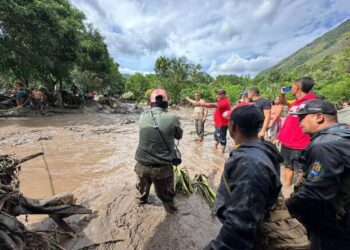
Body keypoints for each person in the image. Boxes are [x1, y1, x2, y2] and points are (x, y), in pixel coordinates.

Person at [205, 103, 283, 249]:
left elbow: (240, 227)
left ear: (233, 127)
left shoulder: (248, 164)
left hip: (255, 237)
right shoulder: (263, 148)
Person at [286, 99, 350, 250]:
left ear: (319, 117)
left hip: (337, 224)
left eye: (302, 117)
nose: (299, 122)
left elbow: (316, 191)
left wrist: (287, 207)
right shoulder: (343, 133)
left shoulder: (325, 145)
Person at [134, 88, 183, 214]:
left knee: (142, 192)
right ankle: (171, 213)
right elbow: (179, 136)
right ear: (166, 103)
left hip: (141, 166)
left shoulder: (143, 116)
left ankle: (141, 202)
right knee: (167, 197)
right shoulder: (172, 117)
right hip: (161, 169)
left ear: (151, 103)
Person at [274, 77, 317, 187]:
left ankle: (299, 195)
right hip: (287, 143)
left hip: (301, 145)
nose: (291, 88)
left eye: (292, 86)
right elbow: (288, 121)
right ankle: (287, 191)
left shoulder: (312, 103)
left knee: (300, 172)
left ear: (298, 87)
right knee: (287, 167)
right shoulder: (295, 103)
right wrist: (279, 137)